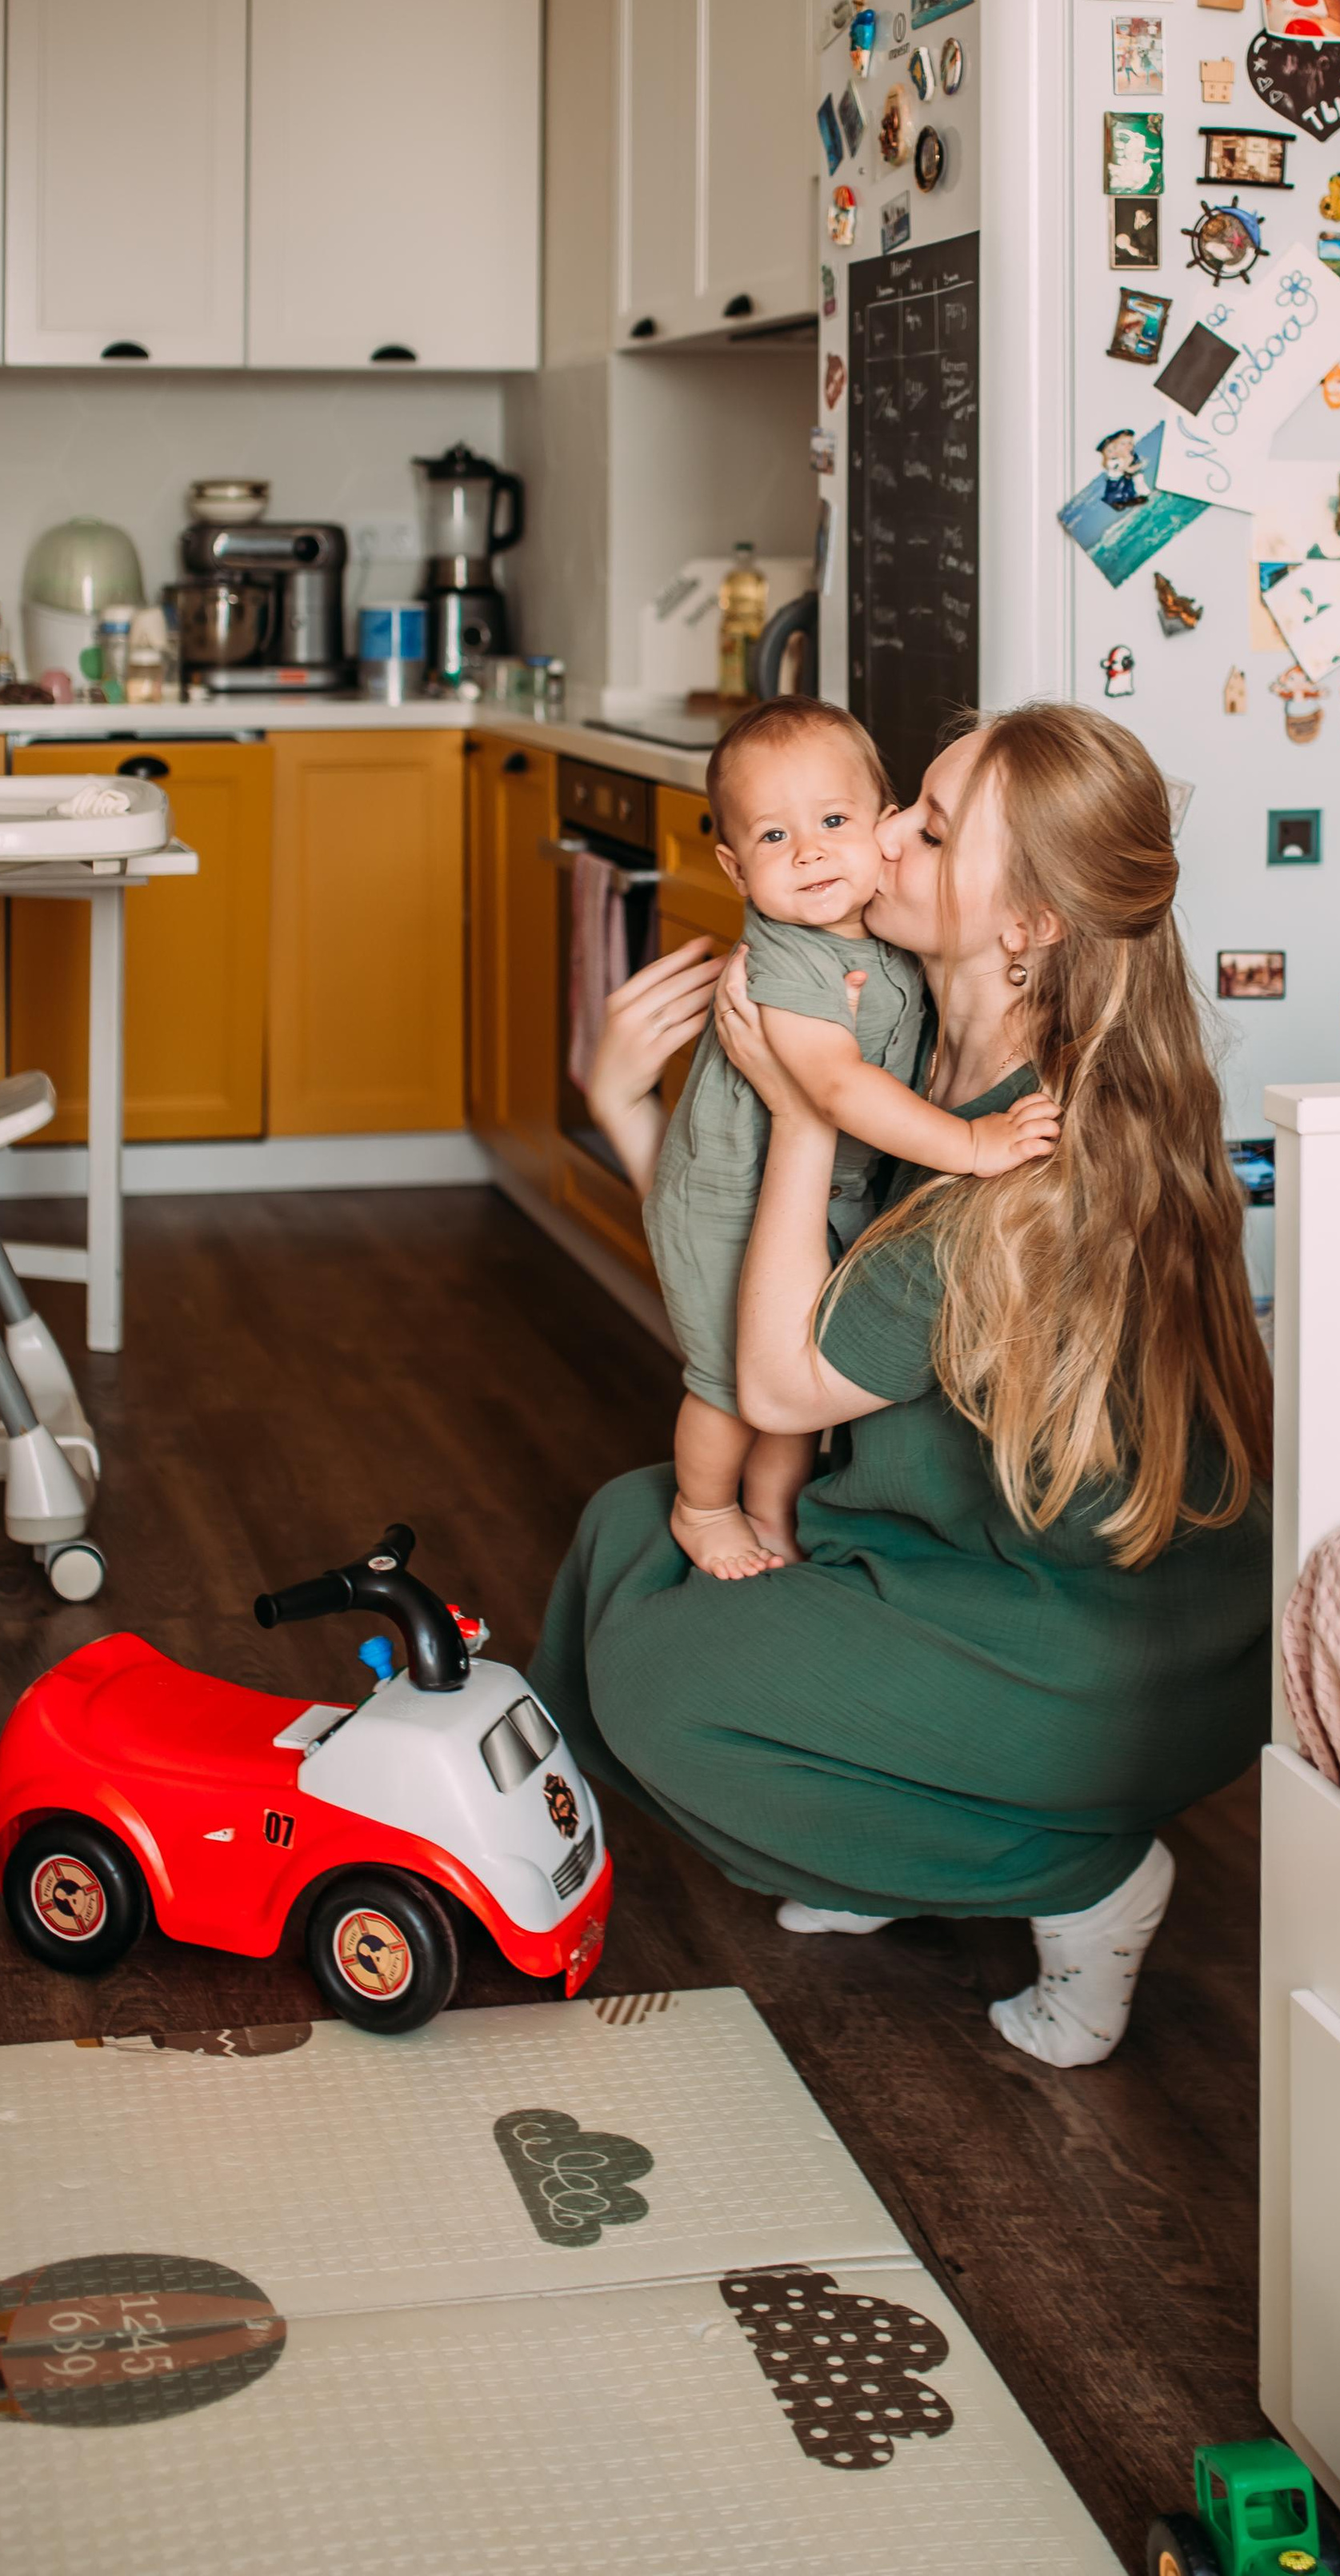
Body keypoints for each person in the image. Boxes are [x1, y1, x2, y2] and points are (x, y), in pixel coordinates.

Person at [534, 704, 1273, 2068]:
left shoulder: (1011, 1162)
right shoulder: (932, 1041)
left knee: (656, 1689)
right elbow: (757, 1265)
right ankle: (880, 1824)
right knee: (627, 1529)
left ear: (1028, 925)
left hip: (1087, 1651)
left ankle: (1081, 1877)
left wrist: (808, 1112)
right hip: (995, 1571)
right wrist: (636, 1111)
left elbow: (768, 1373)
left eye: (925, 827)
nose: (875, 840)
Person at [644, 694, 1058, 1580]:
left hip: (807, 1193)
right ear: (732, 867)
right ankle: (705, 1506)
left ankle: (773, 1520)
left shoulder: (881, 932)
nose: (811, 853)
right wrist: (974, 1146)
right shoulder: (789, 956)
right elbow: (830, 1087)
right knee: (726, 1379)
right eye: (773, 839)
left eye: (836, 821)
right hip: (730, 1198)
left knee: (786, 1404)